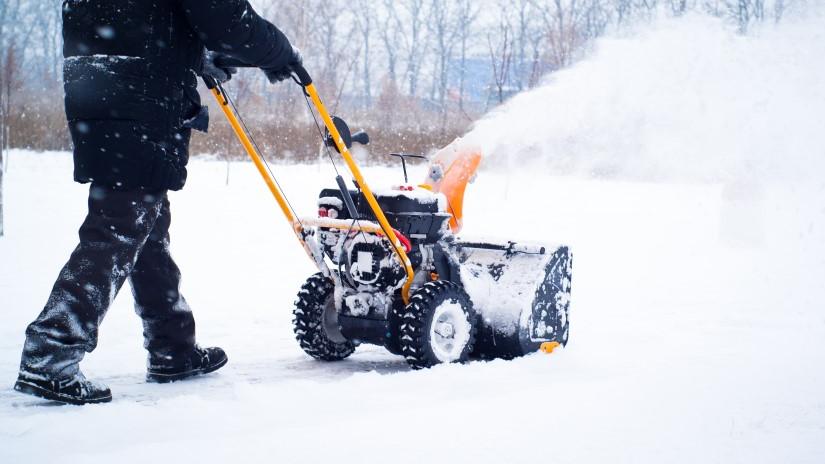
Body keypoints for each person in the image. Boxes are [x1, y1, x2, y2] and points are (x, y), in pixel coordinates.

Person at [13, 0, 302, 405]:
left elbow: (134, 18)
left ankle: (173, 346)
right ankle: (53, 348)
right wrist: (280, 51)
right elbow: (228, 21)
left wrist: (195, 56)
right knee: (120, 224)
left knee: (144, 222)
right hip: (142, 93)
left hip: (99, 85)